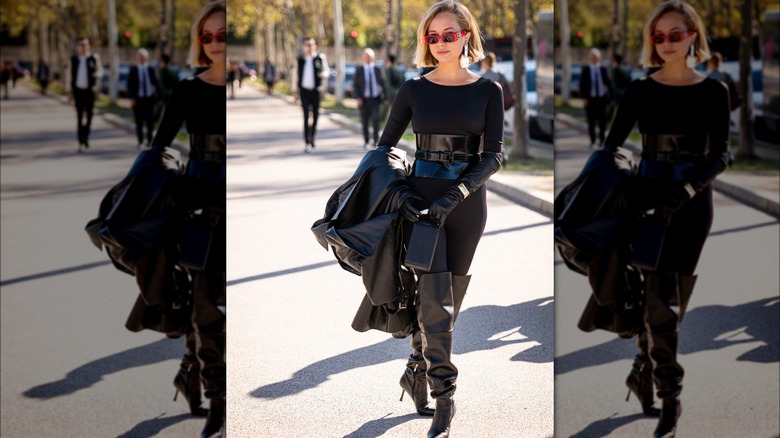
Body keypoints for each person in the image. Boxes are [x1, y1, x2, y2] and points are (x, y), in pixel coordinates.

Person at [597, 2, 729, 436]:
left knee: (672, 301)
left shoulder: (714, 91)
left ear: (693, 35)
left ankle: (642, 367)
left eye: (676, 34)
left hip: (692, 207)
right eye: (659, 36)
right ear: (652, 42)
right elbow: (611, 147)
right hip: (647, 205)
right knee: (658, 300)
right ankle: (672, 399)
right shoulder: (639, 90)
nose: (668, 42)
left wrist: (682, 195)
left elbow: (720, 156)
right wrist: (627, 193)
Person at [379, 1, 503, 436]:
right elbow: (383, 152)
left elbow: (493, 156)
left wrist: (454, 196)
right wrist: (402, 195)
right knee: (434, 303)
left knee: (448, 307)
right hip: (420, 206)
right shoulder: (413, 90)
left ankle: (416, 367)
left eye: (449, 34)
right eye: (433, 36)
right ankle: (445, 399)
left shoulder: (489, 91)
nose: (441, 43)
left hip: (466, 209)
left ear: (466, 35)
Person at [150, 1, 227, 436]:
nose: (217, 44)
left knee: (220, 306)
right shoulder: (186, 90)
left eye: (224, 35)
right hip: (198, 213)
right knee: (205, 306)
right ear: (201, 42)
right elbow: (157, 147)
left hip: (240, 210)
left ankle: (190, 371)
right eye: (209, 36)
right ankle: (217, 399)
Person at [296, 37, 329, 153]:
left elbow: (327, 71)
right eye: (307, 45)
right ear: (304, 46)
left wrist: (323, 75)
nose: (309, 47)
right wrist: (294, 91)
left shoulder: (320, 58)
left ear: (314, 46)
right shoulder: (301, 59)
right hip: (304, 91)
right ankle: (307, 142)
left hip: (316, 91)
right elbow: (296, 75)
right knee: (306, 116)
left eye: (311, 44)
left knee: (315, 116)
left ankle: (312, 137)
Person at [70, 37, 103, 152]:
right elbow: (71, 75)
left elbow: (100, 71)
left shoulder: (94, 58)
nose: (83, 47)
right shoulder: (74, 59)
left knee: (89, 117)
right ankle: (81, 142)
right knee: (79, 117)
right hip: (78, 92)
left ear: (89, 46)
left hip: (89, 92)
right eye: (81, 45)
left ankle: (86, 138)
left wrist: (96, 78)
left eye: (85, 45)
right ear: (78, 46)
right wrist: (70, 93)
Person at [579, 48, 613, 148]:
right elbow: (582, 85)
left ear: (599, 58)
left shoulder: (603, 69)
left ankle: (602, 140)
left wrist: (610, 97)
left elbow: (608, 83)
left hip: (601, 99)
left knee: (602, 121)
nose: (594, 58)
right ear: (590, 58)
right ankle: (592, 140)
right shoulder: (586, 70)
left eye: (596, 57)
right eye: (592, 56)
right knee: (591, 122)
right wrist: (584, 98)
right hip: (591, 100)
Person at [354, 48, 386, 150]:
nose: (368, 58)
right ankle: (366, 141)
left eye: (370, 56)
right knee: (365, 121)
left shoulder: (378, 69)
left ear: (373, 57)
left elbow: (383, 84)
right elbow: (356, 85)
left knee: (376, 119)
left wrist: (384, 97)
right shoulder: (359, 70)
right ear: (363, 57)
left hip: (375, 99)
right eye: (366, 56)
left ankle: (376, 141)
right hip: (364, 99)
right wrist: (358, 97)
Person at [128, 48, 161, 149]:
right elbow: (130, 85)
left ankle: (149, 141)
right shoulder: (134, 70)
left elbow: (157, 83)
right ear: (137, 57)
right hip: (138, 99)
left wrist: (158, 97)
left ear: (147, 58)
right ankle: (140, 140)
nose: (142, 58)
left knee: (150, 121)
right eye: (140, 56)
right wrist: (131, 98)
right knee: (139, 122)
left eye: (144, 56)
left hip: (149, 99)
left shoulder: (151, 69)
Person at [381, 54, 404, 121]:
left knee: (385, 108)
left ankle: (382, 120)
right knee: (396, 109)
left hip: (389, 92)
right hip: (397, 92)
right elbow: (401, 81)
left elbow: (386, 82)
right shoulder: (398, 70)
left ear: (388, 60)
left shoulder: (387, 69)